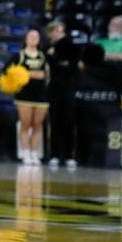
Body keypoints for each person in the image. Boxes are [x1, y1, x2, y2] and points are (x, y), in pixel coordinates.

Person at [10, 29, 50, 166]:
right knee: (25, 124)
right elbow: (7, 71)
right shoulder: (19, 55)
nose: (34, 38)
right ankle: (26, 153)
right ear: (26, 39)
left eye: (36, 36)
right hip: (24, 95)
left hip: (41, 95)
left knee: (38, 125)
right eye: (31, 36)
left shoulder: (44, 56)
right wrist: (28, 74)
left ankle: (34, 153)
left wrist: (42, 76)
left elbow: (49, 75)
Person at [45, 21, 78, 168]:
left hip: (68, 87)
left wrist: (59, 64)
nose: (60, 33)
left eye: (62, 30)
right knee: (55, 121)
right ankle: (54, 155)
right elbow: (52, 65)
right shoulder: (47, 48)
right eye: (57, 30)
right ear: (51, 33)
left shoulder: (70, 46)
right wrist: (57, 62)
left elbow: (72, 66)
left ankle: (70, 155)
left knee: (69, 120)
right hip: (53, 88)